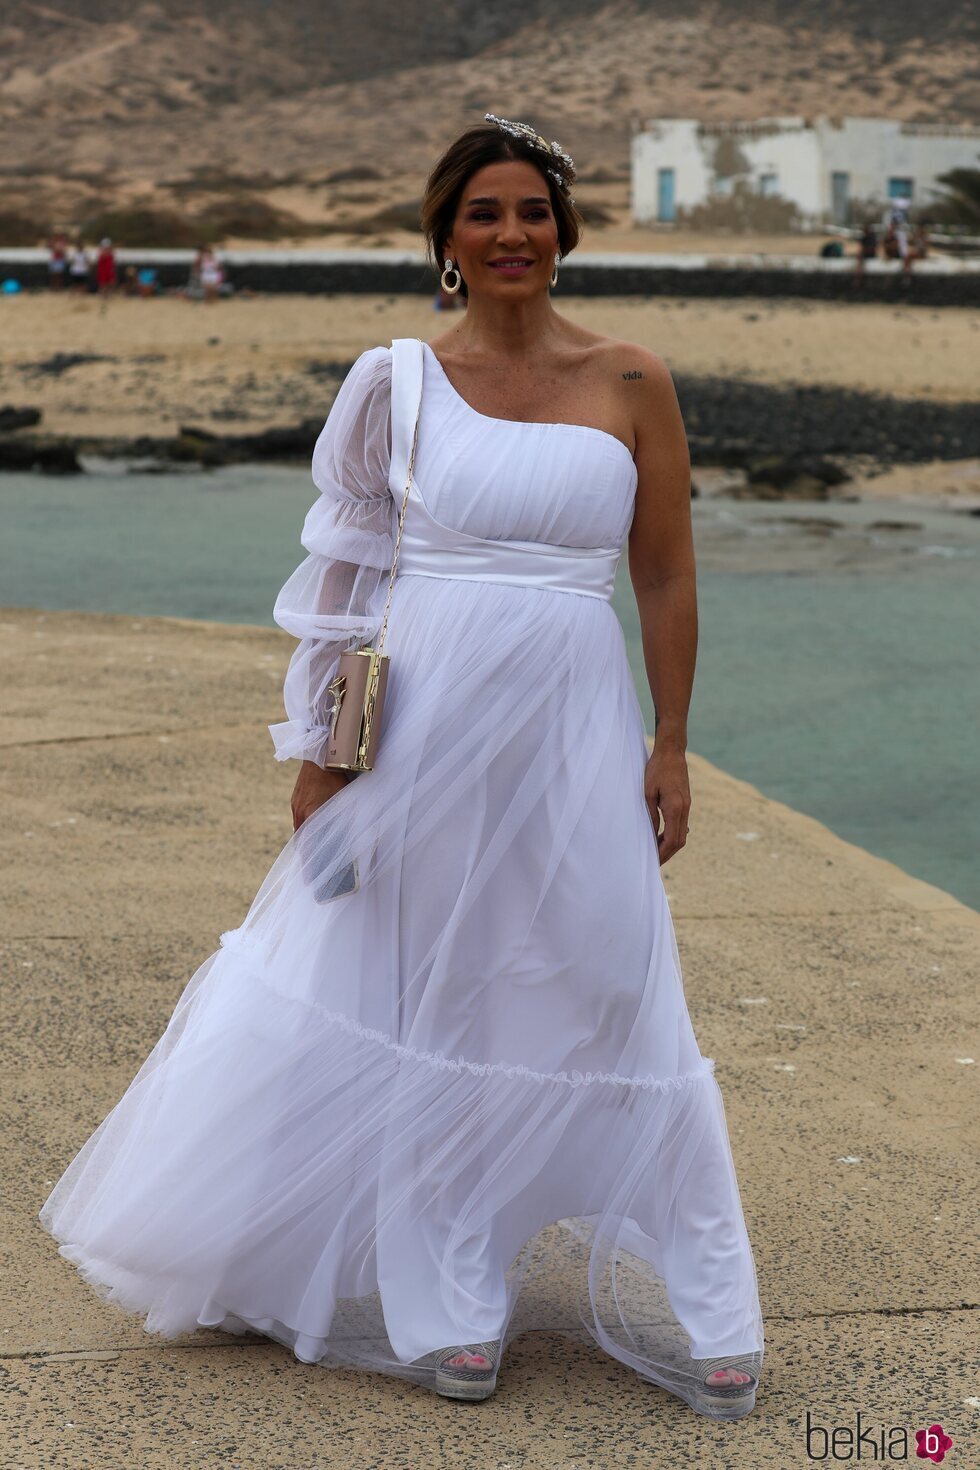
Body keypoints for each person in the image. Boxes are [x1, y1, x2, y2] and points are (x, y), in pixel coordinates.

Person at [37, 115, 764, 1420]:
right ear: (445, 239)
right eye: (483, 213)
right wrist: (323, 754)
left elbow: (663, 571)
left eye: (532, 211)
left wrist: (670, 740)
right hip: (428, 723)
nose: (511, 235)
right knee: (442, 990)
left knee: (608, 977)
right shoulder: (395, 384)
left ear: (565, 229)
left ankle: (709, 1288)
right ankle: (448, 1291)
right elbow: (350, 580)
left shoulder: (635, 379)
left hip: (575, 719)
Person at [94, 237, 117, 311]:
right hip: (103, 270)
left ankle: (107, 295)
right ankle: (103, 296)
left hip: (109, 270)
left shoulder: (110, 252)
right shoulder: (101, 252)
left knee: (109, 283)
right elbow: (101, 258)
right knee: (103, 284)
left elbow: (112, 261)